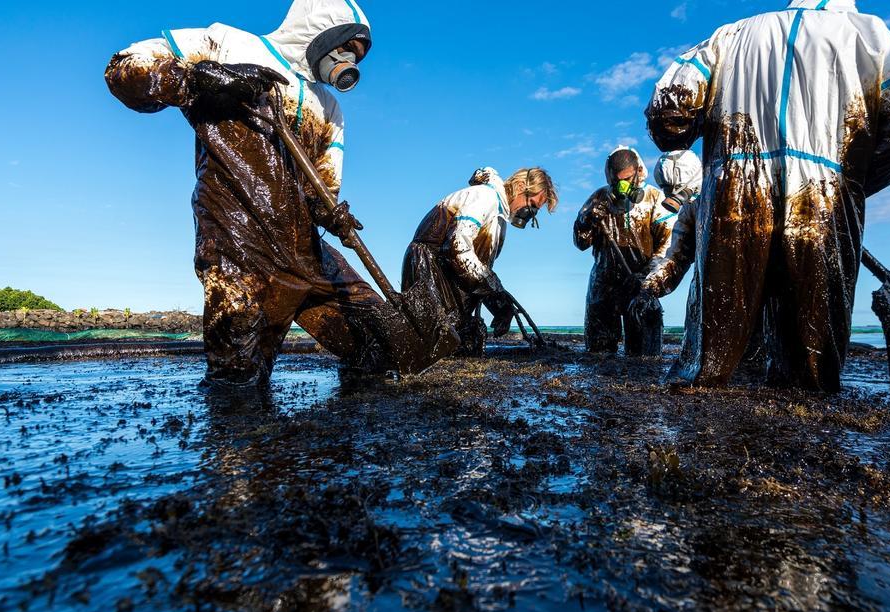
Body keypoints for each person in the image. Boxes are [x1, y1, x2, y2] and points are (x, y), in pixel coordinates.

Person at [106, 0, 408, 387]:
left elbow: (325, 184)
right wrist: (199, 80)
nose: (351, 59)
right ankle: (242, 444)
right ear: (321, 30)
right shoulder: (228, 43)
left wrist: (330, 212)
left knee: (380, 342)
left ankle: (332, 445)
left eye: (359, 56)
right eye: (348, 46)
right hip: (239, 239)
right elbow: (123, 67)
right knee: (238, 376)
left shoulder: (330, 106)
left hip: (305, 249)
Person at [642, 0, 890, 392]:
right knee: (810, 362)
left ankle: (697, 421)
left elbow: (668, 110)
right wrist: (852, 185)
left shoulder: (729, 36)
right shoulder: (870, 36)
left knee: (709, 356)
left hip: (734, 189)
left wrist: (687, 142)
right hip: (824, 197)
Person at [401, 167, 557, 356]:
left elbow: (479, 269)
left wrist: (499, 305)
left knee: (460, 345)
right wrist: (496, 291)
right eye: (531, 204)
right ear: (520, 186)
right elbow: (457, 245)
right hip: (426, 266)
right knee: (429, 345)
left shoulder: (500, 220)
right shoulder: (485, 197)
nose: (530, 213)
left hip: (445, 272)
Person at [574, 147, 675, 357]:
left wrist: (647, 280)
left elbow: (667, 247)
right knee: (598, 354)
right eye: (616, 181)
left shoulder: (655, 200)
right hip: (603, 286)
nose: (622, 186)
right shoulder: (599, 198)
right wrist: (585, 223)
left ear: (639, 172)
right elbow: (581, 243)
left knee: (645, 358)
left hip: (639, 286)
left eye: (627, 179)